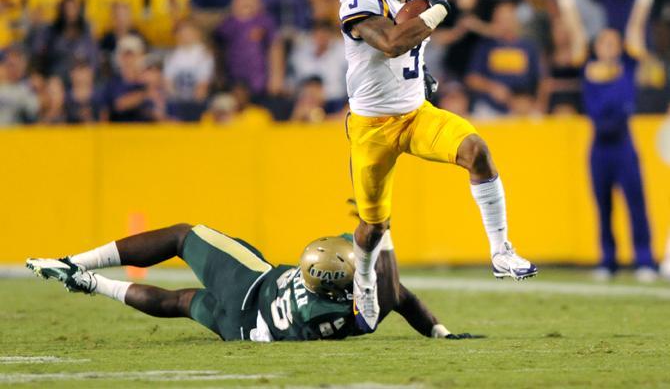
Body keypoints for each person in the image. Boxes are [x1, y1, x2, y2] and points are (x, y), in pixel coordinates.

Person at [339, 0, 537, 333]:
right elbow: (392, 43)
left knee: (476, 150)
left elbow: (412, 49)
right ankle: (363, 279)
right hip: (371, 126)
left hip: (415, 114)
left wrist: (421, 73)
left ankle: (501, 251)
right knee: (373, 224)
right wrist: (436, 11)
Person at [26, 224, 472, 342]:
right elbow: (396, 294)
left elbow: (392, 290)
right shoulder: (358, 312)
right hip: (244, 331)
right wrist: (439, 331)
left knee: (183, 235)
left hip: (252, 286)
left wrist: (378, 224)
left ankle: (74, 263)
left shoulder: (341, 294)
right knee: (182, 301)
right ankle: (90, 284)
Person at [556, 0, 661, 282]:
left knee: (636, 205)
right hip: (599, 147)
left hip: (624, 146)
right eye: (603, 42)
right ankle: (608, 260)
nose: (609, 47)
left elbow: (636, 27)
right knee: (603, 207)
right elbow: (575, 31)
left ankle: (645, 261)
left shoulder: (628, 64)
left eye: (613, 43)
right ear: (596, 47)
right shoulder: (586, 65)